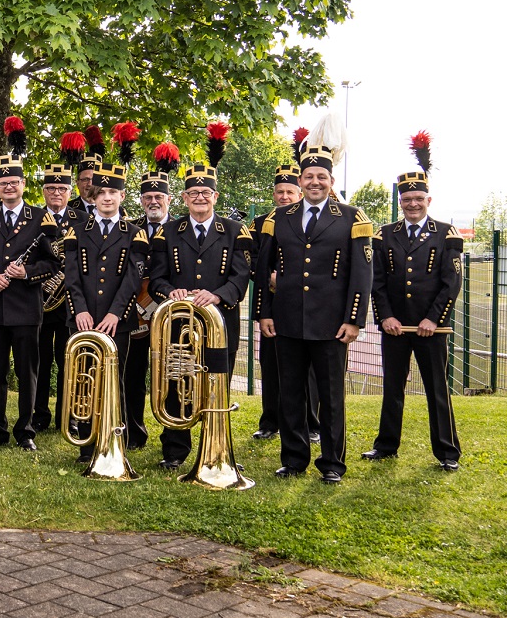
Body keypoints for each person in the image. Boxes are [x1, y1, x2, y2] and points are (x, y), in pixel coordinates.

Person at [256, 144, 373, 484]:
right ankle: (293, 460)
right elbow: (265, 271)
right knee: (290, 394)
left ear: (331, 180)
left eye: (321, 176)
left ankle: (333, 464)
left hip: (331, 325)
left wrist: (354, 320)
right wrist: (265, 313)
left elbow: (362, 275)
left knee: (331, 397)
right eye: (309, 176)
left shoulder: (353, 218)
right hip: (288, 321)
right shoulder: (279, 219)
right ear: (301, 181)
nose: (315, 182)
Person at [148, 146, 253, 470]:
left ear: (216, 196)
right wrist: (171, 291)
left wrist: (217, 295)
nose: (200, 198)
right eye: (193, 193)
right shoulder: (168, 232)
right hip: (179, 324)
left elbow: (241, 276)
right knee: (177, 380)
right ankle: (175, 449)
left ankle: (215, 446)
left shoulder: (235, 231)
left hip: (220, 322)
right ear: (184, 197)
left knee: (215, 381)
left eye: (205, 193)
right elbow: (156, 278)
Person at [365, 137, 462, 470]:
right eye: (407, 200)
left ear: (428, 199)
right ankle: (386, 446)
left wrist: (434, 319)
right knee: (392, 388)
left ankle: (448, 453)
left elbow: (452, 283)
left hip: (430, 328)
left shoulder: (446, 234)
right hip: (396, 327)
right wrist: (385, 317)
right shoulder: (384, 234)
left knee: (437, 390)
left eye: (418, 199)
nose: (413, 205)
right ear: (401, 201)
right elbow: (376, 282)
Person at [0, 154, 60, 451]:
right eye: (3, 183)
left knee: (27, 372)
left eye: (13, 182)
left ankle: (26, 431)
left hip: (26, 308)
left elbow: (53, 262)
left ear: (23, 184)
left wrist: (27, 272)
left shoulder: (39, 218)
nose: (9, 187)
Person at [61, 163, 148, 462]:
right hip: (83, 319)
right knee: (85, 380)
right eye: (102, 193)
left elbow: (132, 280)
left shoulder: (135, 234)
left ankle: (115, 442)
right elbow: (70, 276)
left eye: (113, 192)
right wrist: (80, 311)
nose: (107, 198)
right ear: (93, 197)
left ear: (123, 196)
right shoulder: (77, 232)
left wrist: (115, 314)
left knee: (116, 380)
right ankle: (87, 446)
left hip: (117, 323)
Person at [250, 163, 321, 443]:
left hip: (307, 305)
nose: (284, 197)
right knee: (270, 363)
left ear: (300, 191)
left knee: (310, 368)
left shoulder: (311, 219)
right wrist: (267, 276)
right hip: (272, 304)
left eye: (289, 192)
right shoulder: (261, 224)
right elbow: (253, 260)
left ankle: (312, 423)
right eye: (279, 192)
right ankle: (270, 421)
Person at [125, 160, 177, 450]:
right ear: (141, 201)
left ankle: (171, 438)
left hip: (169, 315)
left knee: (170, 376)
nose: (153, 201)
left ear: (169, 199)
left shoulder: (180, 230)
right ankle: (133, 434)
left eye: (159, 197)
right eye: (148, 197)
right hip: (136, 315)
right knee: (132, 376)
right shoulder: (131, 229)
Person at [34, 163, 82, 432]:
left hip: (71, 306)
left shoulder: (81, 219)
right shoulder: (33, 217)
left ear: (69, 190)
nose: (56, 193)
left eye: (61, 188)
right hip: (41, 301)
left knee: (68, 361)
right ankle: (39, 415)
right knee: (39, 361)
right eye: (51, 188)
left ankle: (69, 417)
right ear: (43, 191)